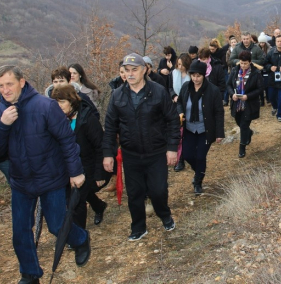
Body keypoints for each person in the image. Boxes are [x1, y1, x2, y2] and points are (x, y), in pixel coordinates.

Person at [0, 65, 90, 283]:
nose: (5, 90)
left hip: (51, 178)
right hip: (21, 181)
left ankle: (81, 239)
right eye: (1, 86)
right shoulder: (1, 112)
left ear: (22, 82)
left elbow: (67, 140)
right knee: (21, 231)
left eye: (9, 84)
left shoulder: (45, 106)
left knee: (57, 225)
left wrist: (75, 171)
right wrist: (3, 126)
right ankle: (30, 273)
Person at [102, 53, 180, 241]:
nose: (130, 74)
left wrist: (172, 147)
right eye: (127, 70)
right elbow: (110, 126)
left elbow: (172, 120)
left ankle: (165, 215)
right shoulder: (117, 95)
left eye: (134, 70)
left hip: (156, 151)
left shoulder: (159, 91)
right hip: (131, 153)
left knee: (158, 190)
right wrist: (107, 153)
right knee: (135, 193)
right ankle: (138, 227)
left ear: (144, 70)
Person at [51, 85, 109, 228]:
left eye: (62, 102)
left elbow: (100, 147)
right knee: (78, 194)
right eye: (56, 102)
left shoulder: (87, 119)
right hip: (68, 166)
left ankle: (80, 236)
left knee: (76, 201)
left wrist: (99, 174)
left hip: (87, 166)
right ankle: (99, 206)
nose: (59, 106)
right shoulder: (57, 120)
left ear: (71, 101)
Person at [177, 60, 224, 194]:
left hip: (205, 129)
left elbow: (219, 112)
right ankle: (199, 171)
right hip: (189, 128)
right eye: (193, 75)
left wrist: (219, 133)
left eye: (198, 76)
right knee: (187, 155)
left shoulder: (213, 90)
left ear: (204, 75)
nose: (195, 79)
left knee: (200, 156)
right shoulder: (186, 87)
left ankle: (198, 182)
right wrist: (180, 112)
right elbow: (179, 102)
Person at [227, 51, 263, 158]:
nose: (243, 66)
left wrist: (248, 96)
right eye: (241, 63)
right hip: (236, 103)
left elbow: (260, 89)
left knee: (243, 125)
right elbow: (228, 85)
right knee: (239, 122)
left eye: (245, 63)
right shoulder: (234, 71)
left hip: (249, 104)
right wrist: (232, 94)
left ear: (250, 62)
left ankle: (242, 148)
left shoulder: (255, 73)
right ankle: (249, 132)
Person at [168, 53, 192, 172]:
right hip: (176, 107)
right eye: (178, 64)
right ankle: (180, 160)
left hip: (189, 106)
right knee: (179, 133)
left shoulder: (191, 74)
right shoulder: (173, 74)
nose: (179, 67)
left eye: (182, 65)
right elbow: (170, 88)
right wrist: (174, 96)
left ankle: (187, 155)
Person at [257, 33, 272, 106]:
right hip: (259, 68)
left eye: (263, 42)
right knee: (260, 85)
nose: (262, 44)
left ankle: (268, 99)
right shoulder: (256, 48)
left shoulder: (269, 49)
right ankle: (261, 100)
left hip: (266, 68)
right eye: (260, 42)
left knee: (267, 84)